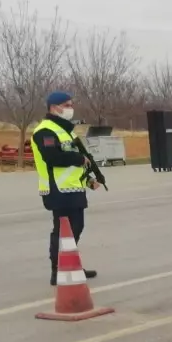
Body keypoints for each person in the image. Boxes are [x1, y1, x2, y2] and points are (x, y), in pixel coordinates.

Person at [30, 91, 100, 285]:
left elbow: (73, 163)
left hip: (73, 188)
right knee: (62, 230)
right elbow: (53, 158)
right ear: (54, 107)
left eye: (71, 104)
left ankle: (70, 265)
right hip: (57, 190)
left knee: (77, 227)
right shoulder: (45, 131)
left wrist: (88, 180)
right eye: (66, 105)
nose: (70, 108)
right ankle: (57, 270)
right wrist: (79, 159)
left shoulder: (66, 131)